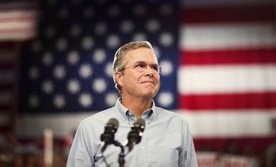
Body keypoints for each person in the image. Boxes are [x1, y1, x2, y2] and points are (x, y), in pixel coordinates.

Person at [66, 41, 198, 167]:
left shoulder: (178, 125)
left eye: (154, 67)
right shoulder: (90, 128)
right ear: (119, 77)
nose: (150, 72)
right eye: (140, 66)